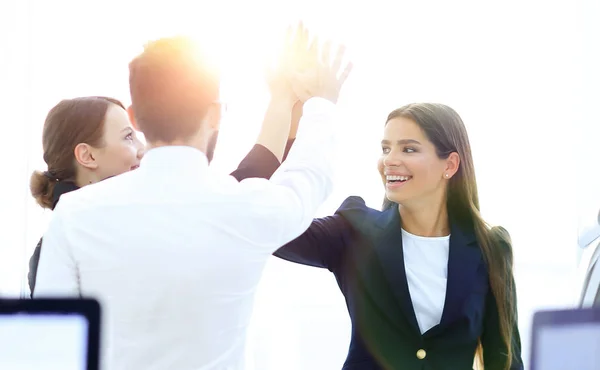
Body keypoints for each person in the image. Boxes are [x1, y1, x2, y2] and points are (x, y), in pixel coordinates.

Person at [33, 31, 353, 370]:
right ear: (215, 114)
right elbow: (310, 175)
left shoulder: (74, 216)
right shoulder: (248, 207)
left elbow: (51, 346)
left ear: (133, 117)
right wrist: (322, 104)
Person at [27, 24, 309, 296]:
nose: (142, 148)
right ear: (87, 155)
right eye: (128, 137)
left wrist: (285, 99)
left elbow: (252, 171)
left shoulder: (141, 210)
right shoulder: (63, 244)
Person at [272, 103, 523, 370]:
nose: (389, 159)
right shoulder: (355, 231)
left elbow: (506, 361)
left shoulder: (491, 248)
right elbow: (267, 226)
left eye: (409, 149)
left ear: (449, 165)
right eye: (385, 148)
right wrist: (290, 107)